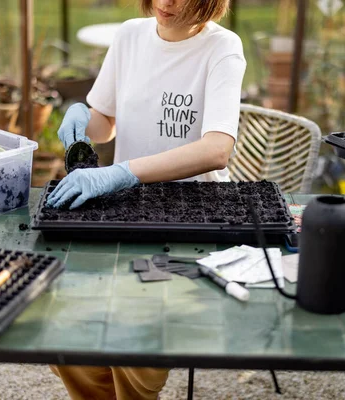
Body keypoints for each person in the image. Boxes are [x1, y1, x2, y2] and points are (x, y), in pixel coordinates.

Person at [48, 0, 246, 397]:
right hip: (124, 209)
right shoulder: (130, 35)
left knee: (136, 346)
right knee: (64, 332)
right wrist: (81, 116)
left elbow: (216, 150)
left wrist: (124, 171)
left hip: (192, 218)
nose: (166, 2)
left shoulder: (222, 48)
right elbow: (104, 125)